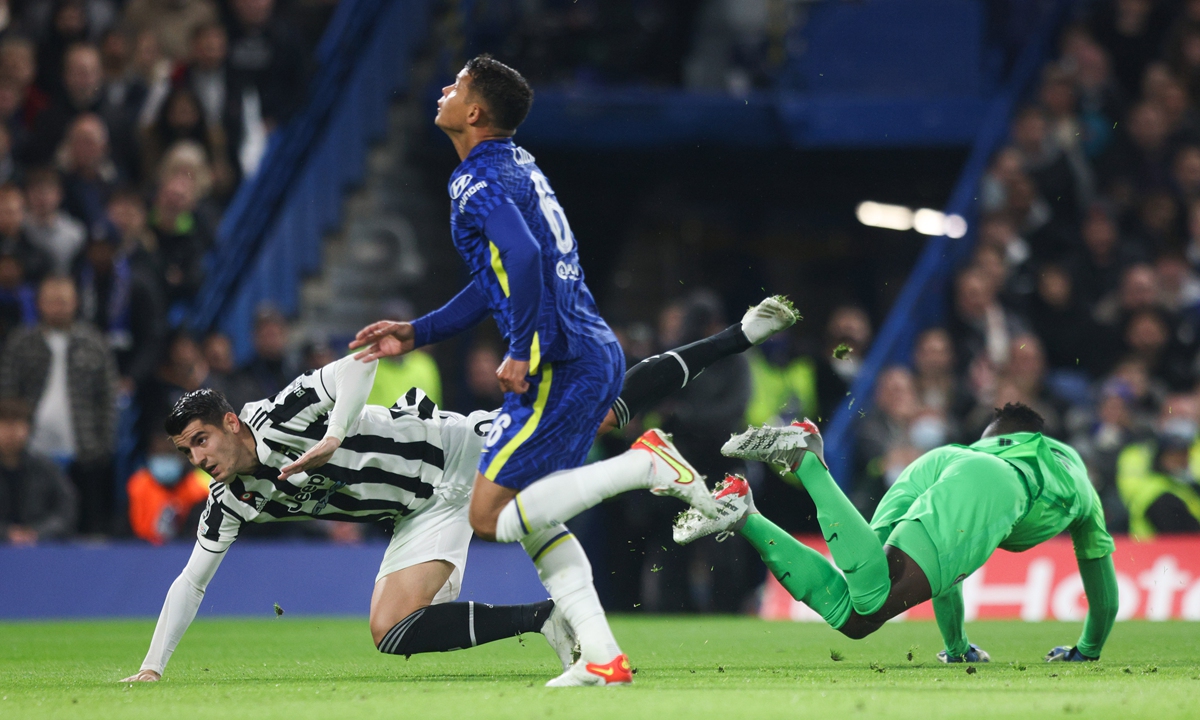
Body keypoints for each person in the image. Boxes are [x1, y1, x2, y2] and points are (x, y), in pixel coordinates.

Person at [121, 293, 796, 684]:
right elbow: (192, 582)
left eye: (201, 442)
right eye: (187, 452)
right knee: (391, 630)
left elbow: (357, 365)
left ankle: (729, 346)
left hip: (455, 446)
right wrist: (152, 670)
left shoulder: (286, 415)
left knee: (596, 410)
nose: (198, 460)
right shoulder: (229, 500)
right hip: (419, 510)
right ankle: (548, 620)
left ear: (230, 423)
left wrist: (337, 431)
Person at [349, 54, 719, 686]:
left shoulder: (475, 181)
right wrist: (418, 332)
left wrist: (520, 347)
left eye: (456, 85)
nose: (443, 89)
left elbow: (520, 256)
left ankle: (647, 464)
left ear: (474, 112)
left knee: (488, 516)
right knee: (534, 521)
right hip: (582, 348)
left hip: (559, 360)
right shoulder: (516, 163)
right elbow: (495, 277)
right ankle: (600, 655)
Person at [675, 403, 1119, 664]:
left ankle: (740, 512)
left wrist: (958, 648)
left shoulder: (981, 450)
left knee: (856, 612)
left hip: (942, 460)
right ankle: (806, 459)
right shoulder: (1075, 482)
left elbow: (952, 571)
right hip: (997, 484)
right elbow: (1103, 593)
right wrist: (1088, 649)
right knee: (873, 601)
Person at [0, 275, 117, 535]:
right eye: (52, 301)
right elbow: (8, 393)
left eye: (63, 301)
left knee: (87, 528)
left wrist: (103, 444)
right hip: (29, 449)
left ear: (75, 302)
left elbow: (108, 398)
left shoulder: (94, 342)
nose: (58, 307)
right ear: (39, 303)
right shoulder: (21, 342)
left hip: (85, 451)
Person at [0, 398, 77, 544]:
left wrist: (37, 532)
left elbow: (66, 509)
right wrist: (6, 533)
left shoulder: (46, 468)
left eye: (17, 424)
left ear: (28, 428)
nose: (11, 432)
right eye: (4, 424)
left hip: (41, 548)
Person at [126, 433, 211, 545]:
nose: (165, 459)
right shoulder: (138, 483)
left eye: (170, 453)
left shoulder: (199, 482)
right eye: (160, 454)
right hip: (144, 550)